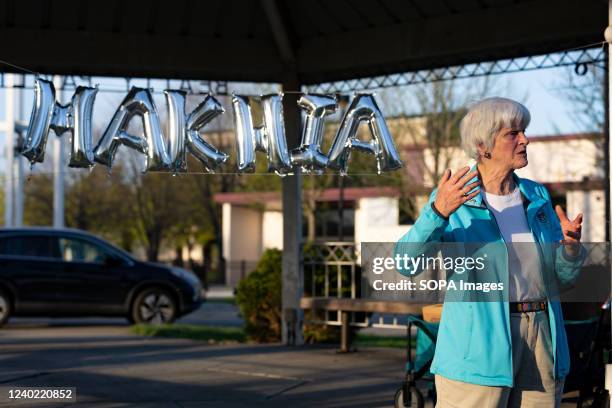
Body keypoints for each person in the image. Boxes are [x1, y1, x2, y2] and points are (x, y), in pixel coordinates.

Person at [395, 97, 585, 407]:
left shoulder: (536, 195)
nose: (525, 139)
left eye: (524, 131)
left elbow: (560, 279)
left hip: (541, 337)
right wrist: (437, 212)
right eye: (514, 133)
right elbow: (405, 262)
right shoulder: (452, 197)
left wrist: (571, 252)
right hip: (478, 347)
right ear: (484, 144)